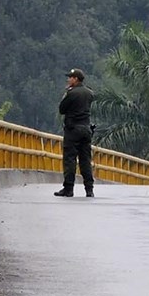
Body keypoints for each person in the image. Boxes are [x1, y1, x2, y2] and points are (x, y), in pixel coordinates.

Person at [54, 68, 95, 198]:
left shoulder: (71, 93)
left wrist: (66, 93)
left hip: (73, 130)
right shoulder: (89, 93)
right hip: (86, 129)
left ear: (76, 79)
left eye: (70, 77)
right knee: (85, 160)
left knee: (70, 159)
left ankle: (68, 188)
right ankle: (89, 189)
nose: (68, 79)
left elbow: (62, 109)